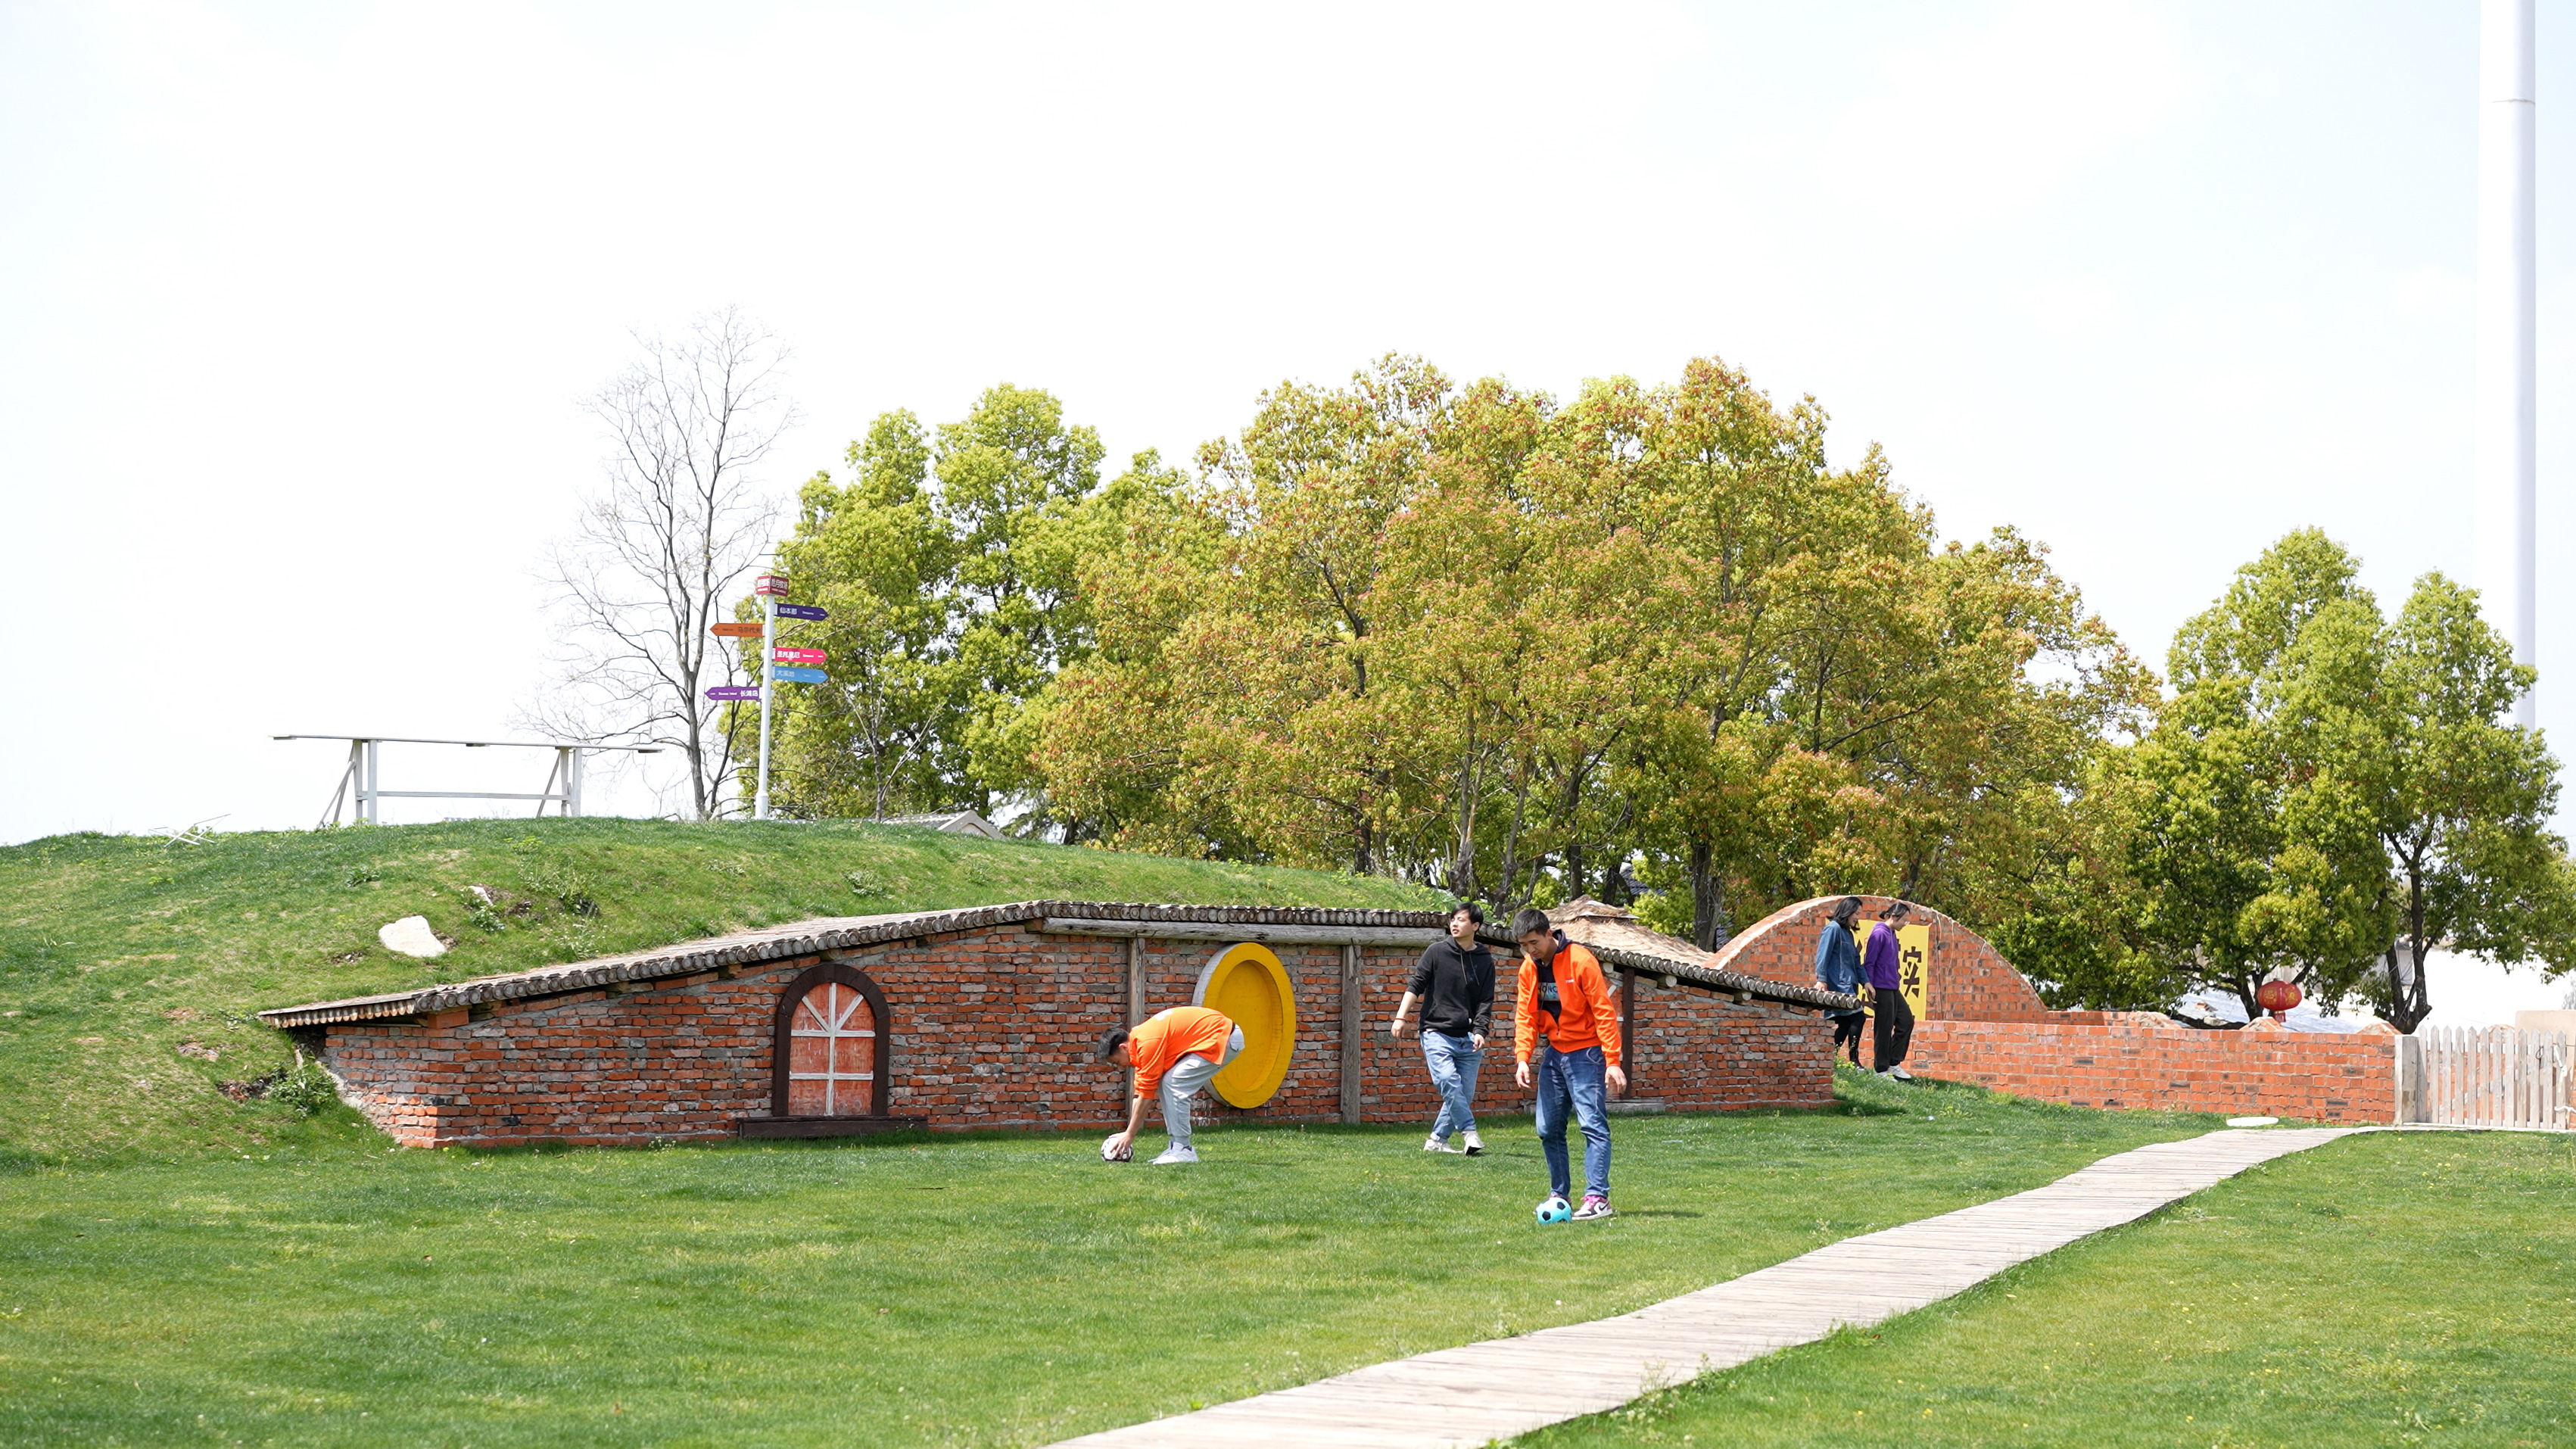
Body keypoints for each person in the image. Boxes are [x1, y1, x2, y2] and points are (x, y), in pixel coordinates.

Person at [1510, 906, 1626, 1220]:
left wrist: (1612, 1060)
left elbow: (1603, 1011)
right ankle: (1559, 1196)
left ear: (1549, 934)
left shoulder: (1581, 960)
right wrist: (1523, 1058)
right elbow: (1525, 1016)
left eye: (1534, 943)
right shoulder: (1528, 968)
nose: (1530, 950)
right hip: (1554, 1052)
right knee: (1547, 1128)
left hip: (1586, 1053)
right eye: (1524, 945)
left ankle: (1598, 1198)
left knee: (1592, 1124)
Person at [1390, 902, 1496, 1155]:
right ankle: (1469, 1132)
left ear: (1476, 926)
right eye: (1453, 919)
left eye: (1461, 920)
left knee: (1463, 1094)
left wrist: (1480, 1031)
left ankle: (1437, 1140)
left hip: (1468, 1037)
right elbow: (1416, 985)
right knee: (1448, 1080)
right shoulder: (1436, 952)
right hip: (1435, 1032)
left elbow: (1485, 1001)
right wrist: (1400, 1017)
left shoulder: (1484, 960)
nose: (1455, 924)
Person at [1099, 1004, 1242, 1164]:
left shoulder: (1147, 1043)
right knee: (1166, 1081)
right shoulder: (1139, 1042)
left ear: (1123, 1047)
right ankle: (1177, 1147)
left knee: (1174, 1082)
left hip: (1224, 1037)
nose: (1121, 1066)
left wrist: (1130, 1134)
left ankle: (1184, 1149)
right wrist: (1128, 1131)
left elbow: (1146, 1096)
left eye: (1117, 1062)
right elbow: (1140, 1094)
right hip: (1220, 1035)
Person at [1863, 900, 1915, 1080]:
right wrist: (1869, 985)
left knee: (1906, 1021)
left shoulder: (1892, 934)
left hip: (1893, 986)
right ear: (1893, 916)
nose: (1906, 923)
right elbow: (1869, 962)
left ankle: (1893, 1063)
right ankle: (1880, 1070)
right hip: (1880, 987)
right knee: (1884, 1028)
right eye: (1904, 920)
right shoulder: (1879, 934)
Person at [1813, 896, 1867, 1066]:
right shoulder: (1833, 929)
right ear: (1847, 911)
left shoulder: (1848, 933)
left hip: (1848, 985)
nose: (1857, 917)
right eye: (1856, 913)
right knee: (1858, 1017)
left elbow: (1856, 962)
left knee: (1845, 1022)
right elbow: (1823, 955)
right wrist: (1822, 980)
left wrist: (1866, 983)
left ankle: (1830, 1060)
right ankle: (1854, 1062)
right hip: (1837, 986)